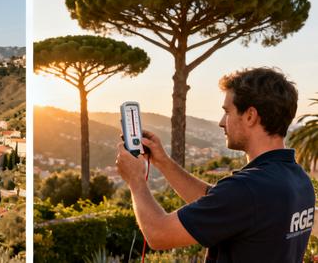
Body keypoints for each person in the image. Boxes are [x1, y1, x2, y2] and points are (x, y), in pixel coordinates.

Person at [115, 67, 313, 262]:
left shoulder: (247, 189)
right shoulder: (299, 181)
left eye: (227, 112)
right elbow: (221, 203)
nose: (221, 122)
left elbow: (158, 234)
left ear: (250, 116)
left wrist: (136, 180)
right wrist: (163, 162)